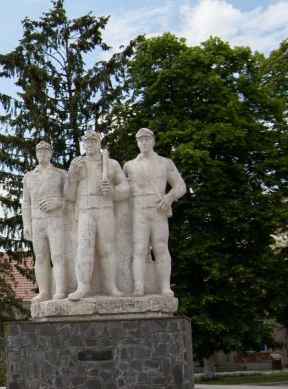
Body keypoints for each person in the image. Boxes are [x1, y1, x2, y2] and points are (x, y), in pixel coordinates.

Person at [64, 129, 128, 300]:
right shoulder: (77, 164)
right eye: (87, 142)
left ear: (99, 144)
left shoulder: (111, 164)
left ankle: (111, 287)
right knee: (84, 249)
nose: (90, 144)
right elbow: (69, 195)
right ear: (83, 144)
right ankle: (83, 287)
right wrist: (72, 177)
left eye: (93, 141)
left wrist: (112, 191)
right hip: (85, 210)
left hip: (104, 208)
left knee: (107, 248)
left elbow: (125, 189)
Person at [122, 127, 186, 297]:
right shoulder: (129, 165)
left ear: (153, 141)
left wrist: (169, 197)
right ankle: (138, 287)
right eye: (140, 140)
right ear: (137, 143)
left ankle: (165, 287)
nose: (144, 142)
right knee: (139, 248)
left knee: (161, 247)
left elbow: (180, 186)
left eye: (147, 139)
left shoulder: (165, 163)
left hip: (158, 209)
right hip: (138, 210)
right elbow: (123, 190)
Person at [21, 141, 69, 301]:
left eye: (45, 152)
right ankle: (44, 292)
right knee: (41, 257)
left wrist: (59, 202)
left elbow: (71, 198)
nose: (42, 154)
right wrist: (27, 223)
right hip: (37, 220)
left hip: (55, 219)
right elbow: (26, 202)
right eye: (39, 152)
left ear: (50, 154)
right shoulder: (29, 177)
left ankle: (60, 290)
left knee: (58, 255)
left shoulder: (60, 174)